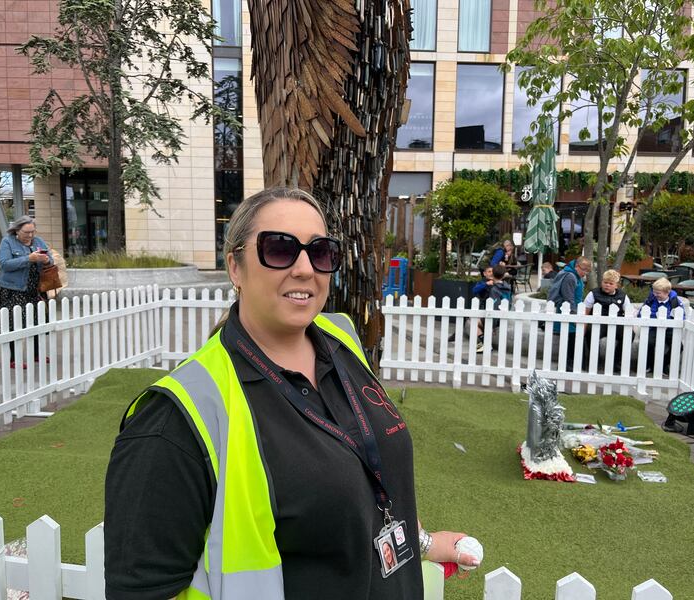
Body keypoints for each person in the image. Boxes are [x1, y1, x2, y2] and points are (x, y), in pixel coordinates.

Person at [104, 187, 478, 600]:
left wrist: (425, 543)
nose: (305, 269)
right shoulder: (175, 419)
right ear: (235, 266)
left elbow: (363, 482)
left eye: (320, 251)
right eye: (280, 248)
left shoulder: (341, 341)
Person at [0, 216, 53, 368]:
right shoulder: (8, 241)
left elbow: (51, 259)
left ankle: (37, 354)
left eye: (32, 232)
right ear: (17, 230)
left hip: (36, 289)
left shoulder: (39, 241)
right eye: (26, 232)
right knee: (14, 323)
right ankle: (13, 359)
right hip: (14, 289)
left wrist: (47, 260)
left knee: (38, 321)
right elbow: (4, 264)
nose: (30, 235)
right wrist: (29, 258)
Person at [547, 257, 592, 370]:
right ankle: (567, 365)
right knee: (570, 341)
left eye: (588, 271)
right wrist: (575, 316)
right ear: (577, 266)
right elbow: (568, 298)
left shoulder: (575, 276)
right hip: (569, 313)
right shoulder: (570, 277)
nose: (585, 273)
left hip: (573, 312)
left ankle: (571, 364)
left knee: (571, 340)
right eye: (584, 270)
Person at [583, 269, 632, 367]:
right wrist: (583, 328)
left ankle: (617, 362)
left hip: (616, 324)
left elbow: (629, 313)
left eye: (611, 283)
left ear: (616, 285)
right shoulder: (593, 294)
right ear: (602, 282)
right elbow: (586, 312)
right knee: (591, 333)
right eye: (605, 282)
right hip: (597, 324)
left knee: (629, 335)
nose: (607, 285)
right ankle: (593, 361)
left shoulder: (623, 296)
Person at [642, 277, 685, 375]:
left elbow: (682, 315)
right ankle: (650, 364)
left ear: (667, 292)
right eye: (654, 292)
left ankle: (664, 364)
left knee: (678, 346)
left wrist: (670, 321)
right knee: (648, 342)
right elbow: (642, 311)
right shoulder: (651, 299)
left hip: (669, 329)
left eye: (658, 293)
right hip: (653, 327)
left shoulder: (675, 301)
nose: (656, 295)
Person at [476, 265, 512, 353]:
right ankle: (483, 345)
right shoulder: (508, 287)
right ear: (504, 275)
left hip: (495, 318)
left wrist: (491, 325)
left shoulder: (494, 289)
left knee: (474, 322)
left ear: (493, 275)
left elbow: (494, 306)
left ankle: (486, 345)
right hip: (504, 314)